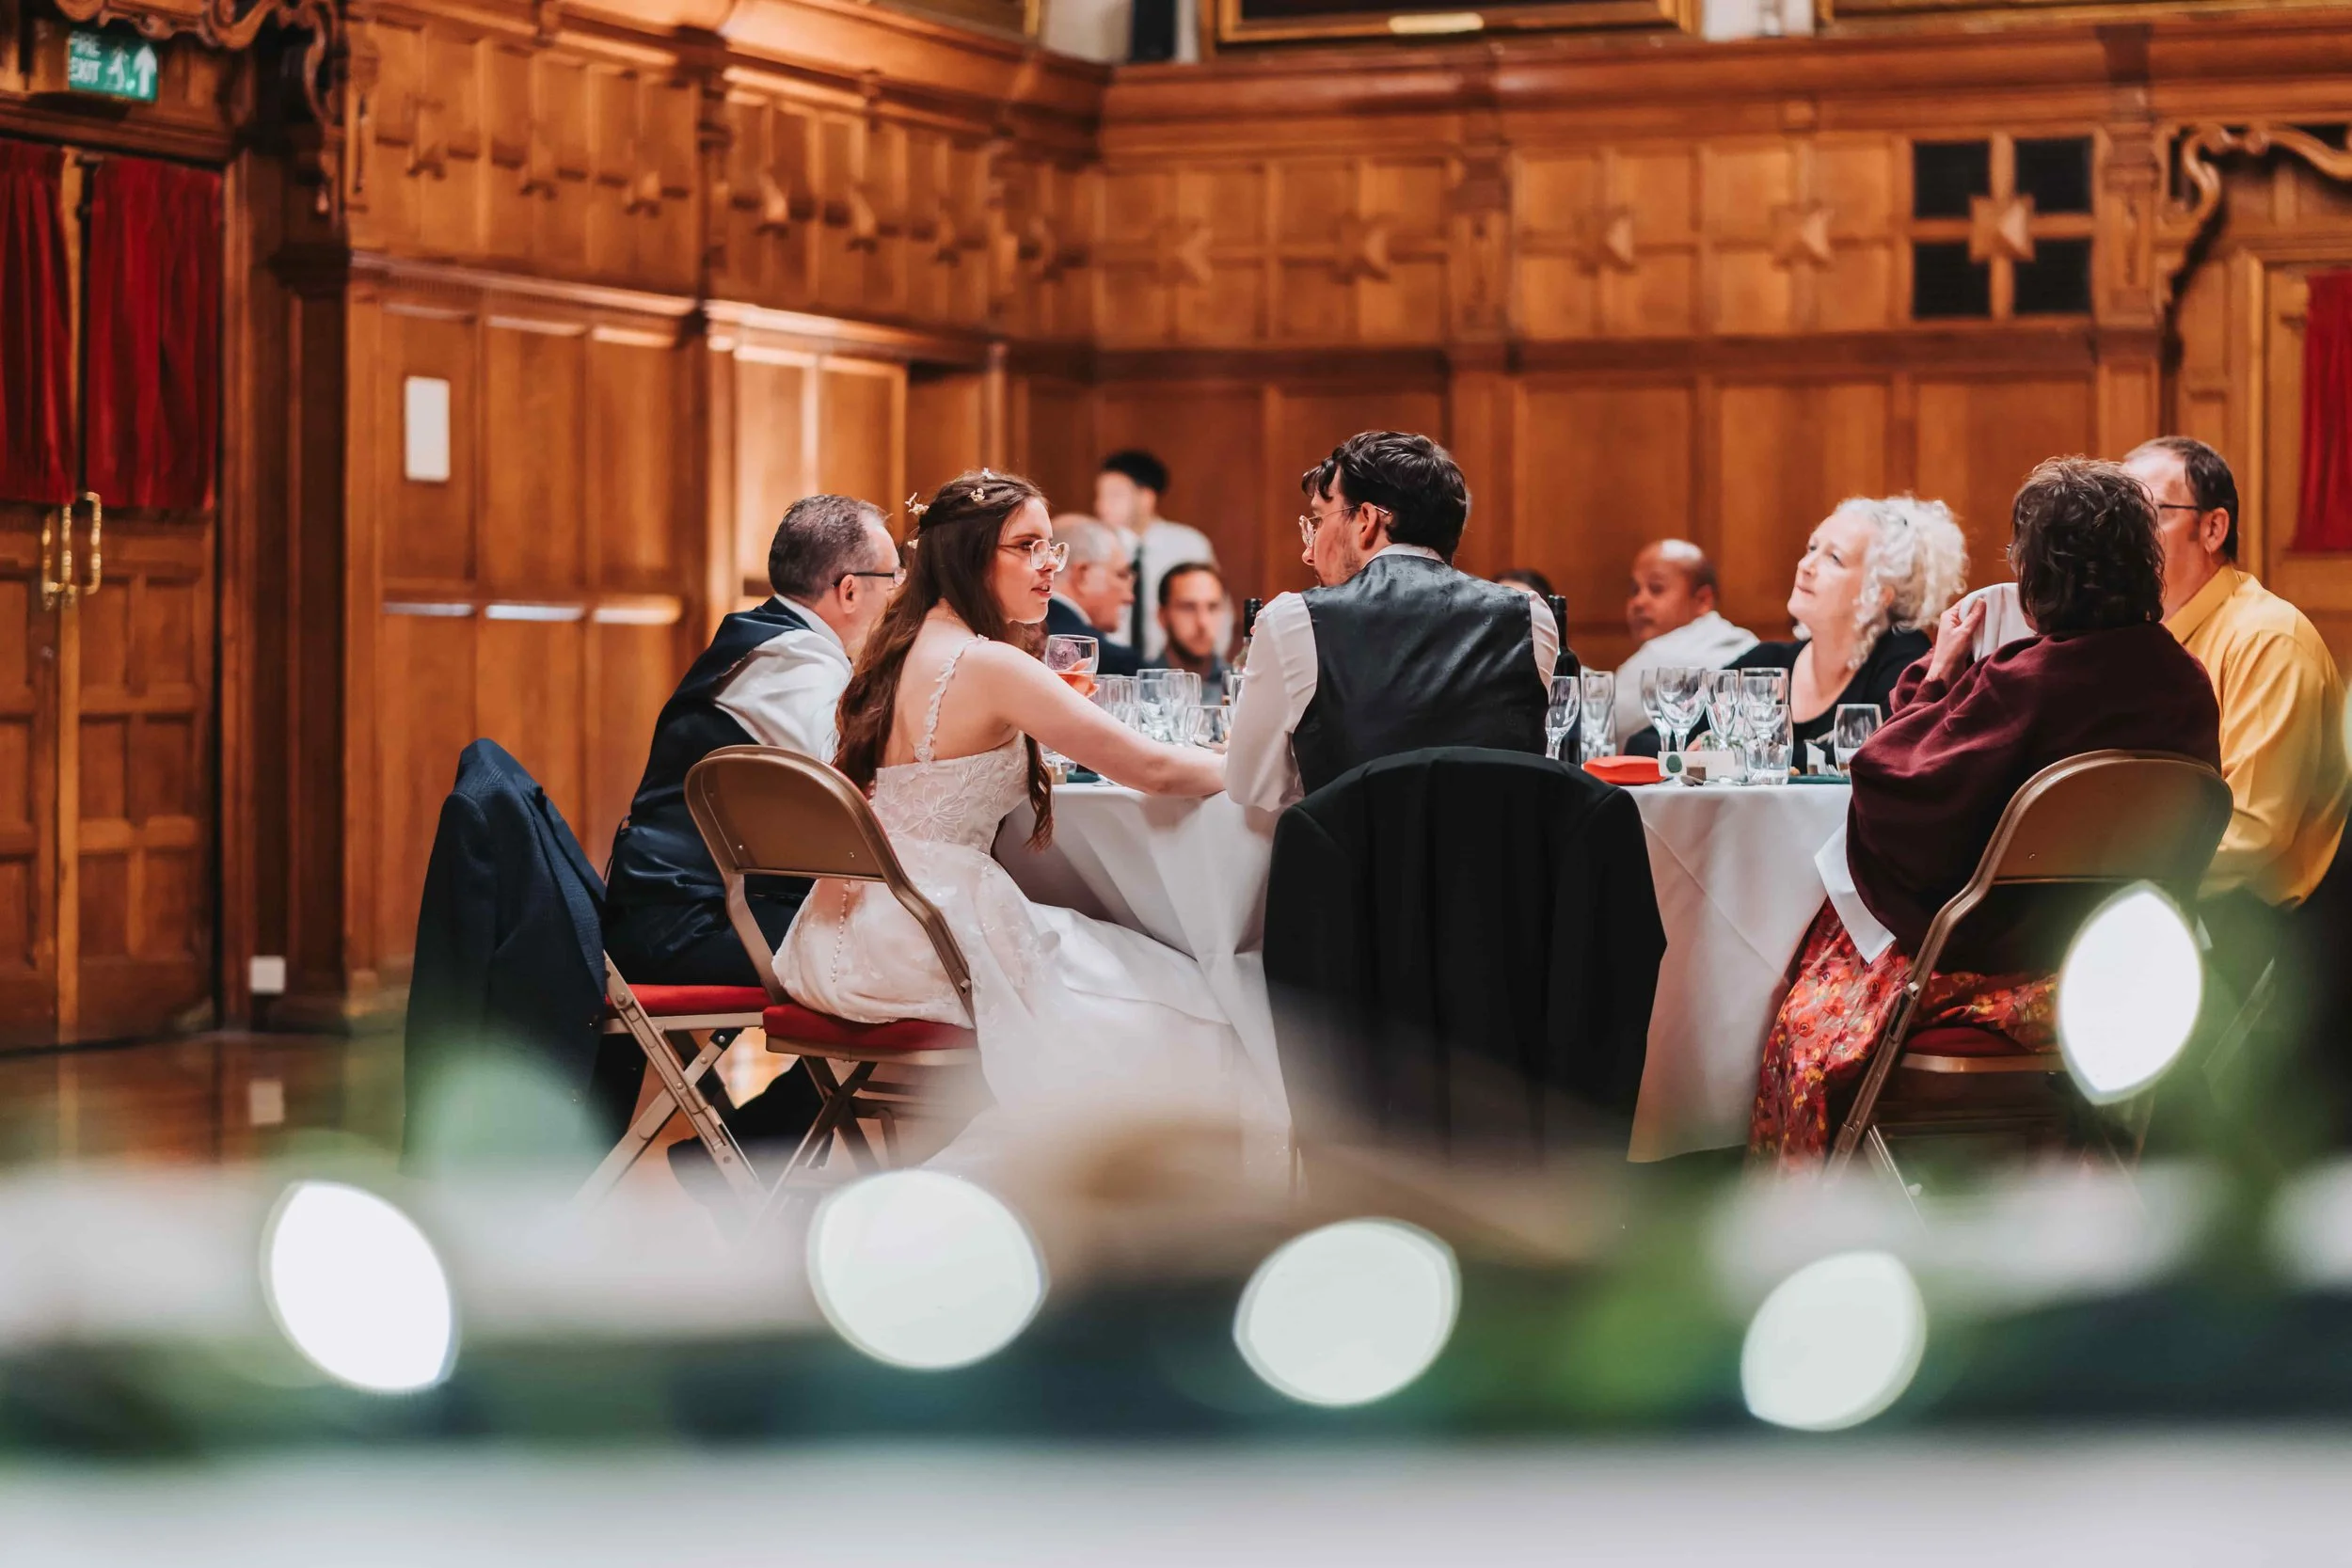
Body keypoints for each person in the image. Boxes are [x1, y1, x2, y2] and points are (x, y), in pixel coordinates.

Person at [1750, 458, 2222, 1164]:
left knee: (1801, 1019)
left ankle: (1809, 1218)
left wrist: (1937, 673)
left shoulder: (2024, 680)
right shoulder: (2185, 682)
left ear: (2036, 576)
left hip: (2003, 968)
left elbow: (1892, 785)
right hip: (2121, 966)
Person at [776, 469, 1249, 1153]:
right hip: (931, 936)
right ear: (969, 554)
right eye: (1026, 546)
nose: (1046, 566)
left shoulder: (896, 648)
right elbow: (1151, 767)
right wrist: (1258, 769)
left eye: (1051, 548)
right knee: (1197, 1006)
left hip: (839, 935)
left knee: (1137, 977)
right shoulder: (989, 663)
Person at [605, 494, 899, 986]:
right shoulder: (788, 662)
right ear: (849, 591)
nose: (900, 594)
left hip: (702, 908)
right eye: (894, 578)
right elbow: (856, 785)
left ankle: (815, 1070)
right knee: (908, 954)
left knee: (899, 940)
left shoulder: (780, 644)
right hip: (688, 924)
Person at [1224, 431, 1559, 816]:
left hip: (1353, 872)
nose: (1308, 551)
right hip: (1501, 873)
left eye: (1318, 521)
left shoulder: (1294, 620)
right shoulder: (1530, 617)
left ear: (1366, 520)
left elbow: (1250, 786)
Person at [2122, 437, 2347, 912]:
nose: (2124, 538)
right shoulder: (2141, 635)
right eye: (2119, 517)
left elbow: (2251, 832)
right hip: (2181, 888)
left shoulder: (2268, 638)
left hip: (2268, 926)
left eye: (2146, 514)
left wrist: (2114, 879)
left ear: (2212, 528)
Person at [1633, 496, 1966, 758]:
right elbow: (1646, 742)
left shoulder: (1903, 659)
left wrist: (1738, 752)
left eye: (1833, 558)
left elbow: (1877, 752)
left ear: (1878, 593)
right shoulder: (1766, 665)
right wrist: (1703, 753)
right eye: (1811, 548)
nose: (1806, 566)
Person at [1611, 540, 1758, 746]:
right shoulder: (1749, 642)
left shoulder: (1660, 655)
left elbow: (1600, 721)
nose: (1639, 602)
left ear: (1702, 600)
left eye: (1656, 588)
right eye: (1635, 590)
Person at [1095, 450, 1216, 661]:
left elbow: (1216, 611)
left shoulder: (1189, 545)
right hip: (1111, 666)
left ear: (1146, 498)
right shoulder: (1098, 547)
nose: (1101, 506)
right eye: (1099, 496)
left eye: (1114, 496)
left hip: (1173, 667)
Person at [1041, 513, 1142, 676]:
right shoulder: (1114, 661)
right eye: (1121, 575)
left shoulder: (1010, 638)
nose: (1130, 597)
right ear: (1082, 575)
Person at [1142, 561, 1233, 701]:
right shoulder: (1138, 690)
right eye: (1188, 608)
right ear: (1162, 616)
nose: (1202, 622)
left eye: (1213, 607)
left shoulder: (1241, 688)